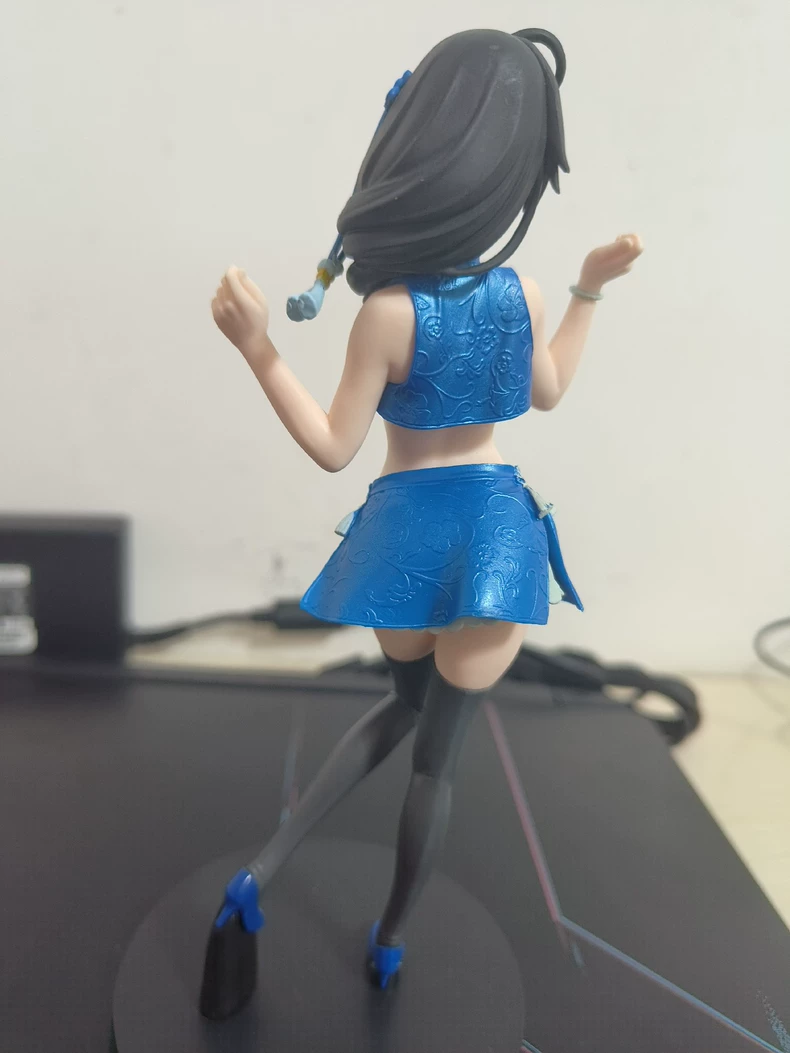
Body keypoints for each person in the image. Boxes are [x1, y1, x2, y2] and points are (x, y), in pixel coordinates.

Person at [200, 27, 643, 1019]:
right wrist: (584, 290)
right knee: (435, 761)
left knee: (400, 705)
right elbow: (550, 389)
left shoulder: (388, 312)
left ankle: (264, 869)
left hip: (400, 542)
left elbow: (333, 446)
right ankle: (392, 940)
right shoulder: (521, 294)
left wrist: (260, 349)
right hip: (488, 545)